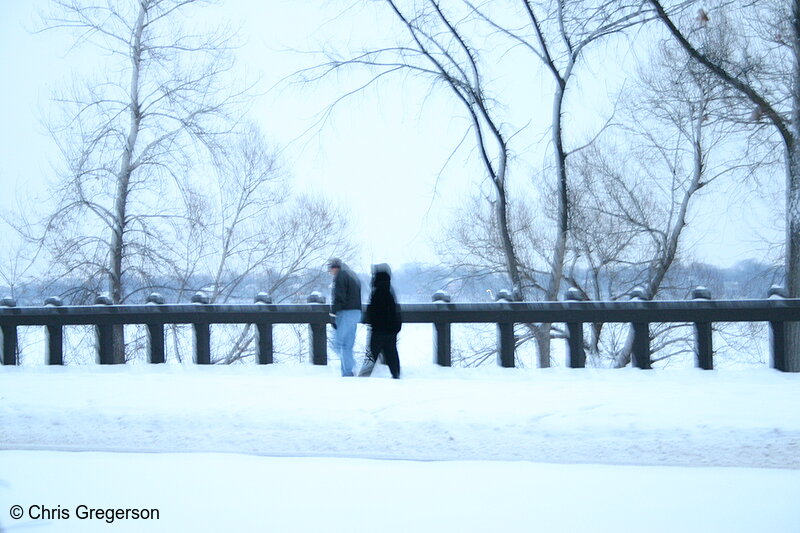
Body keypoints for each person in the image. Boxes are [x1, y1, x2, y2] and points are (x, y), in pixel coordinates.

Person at [360, 264, 401, 379]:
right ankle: (396, 375)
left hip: (378, 330)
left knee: (371, 355)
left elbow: (373, 311)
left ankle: (363, 377)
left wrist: (370, 322)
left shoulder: (377, 292)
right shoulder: (389, 291)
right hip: (391, 330)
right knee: (391, 354)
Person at [328, 258, 362, 377]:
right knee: (347, 344)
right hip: (356, 312)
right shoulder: (353, 275)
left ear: (334, 267)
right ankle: (347, 372)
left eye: (330, 269)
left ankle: (351, 365)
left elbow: (339, 296)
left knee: (338, 343)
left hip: (345, 312)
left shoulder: (340, 275)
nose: (330, 272)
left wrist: (333, 313)